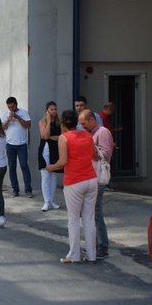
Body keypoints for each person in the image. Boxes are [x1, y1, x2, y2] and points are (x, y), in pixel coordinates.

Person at [47, 109, 98, 264]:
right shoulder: (87, 135)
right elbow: (95, 155)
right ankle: (92, 255)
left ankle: (74, 255)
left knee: (74, 219)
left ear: (63, 123)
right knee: (89, 219)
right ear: (76, 122)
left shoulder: (64, 138)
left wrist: (51, 167)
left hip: (74, 181)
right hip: (91, 179)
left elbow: (63, 162)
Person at [79, 109, 114, 260]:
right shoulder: (92, 133)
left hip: (99, 178)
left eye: (84, 123)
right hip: (91, 176)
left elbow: (105, 154)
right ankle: (96, 245)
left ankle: (102, 246)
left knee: (95, 212)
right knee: (90, 212)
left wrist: (89, 147)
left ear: (92, 120)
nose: (82, 126)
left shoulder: (103, 132)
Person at [1, 96, 33, 198]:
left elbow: (28, 125)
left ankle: (28, 190)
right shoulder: (6, 114)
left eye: (13, 106)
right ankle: (15, 190)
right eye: (9, 107)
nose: (11, 109)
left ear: (16, 104)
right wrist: (9, 119)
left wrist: (18, 117)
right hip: (10, 145)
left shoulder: (23, 112)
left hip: (21, 145)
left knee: (24, 166)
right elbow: (2, 128)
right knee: (12, 167)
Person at [38, 101, 62, 212]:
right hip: (45, 150)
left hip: (55, 150)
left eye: (55, 109)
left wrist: (52, 137)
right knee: (45, 176)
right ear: (47, 110)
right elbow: (45, 136)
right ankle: (46, 202)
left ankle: (52, 200)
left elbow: (61, 137)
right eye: (51, 109)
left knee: (53, 177)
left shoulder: (59, 122)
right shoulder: (42, 122)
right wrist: (48, 121)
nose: (54, 111)